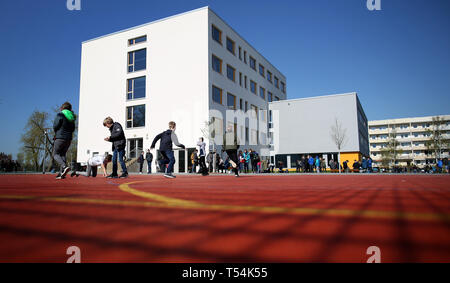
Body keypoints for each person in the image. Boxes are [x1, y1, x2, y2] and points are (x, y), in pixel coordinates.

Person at [52, 102, 76, 179]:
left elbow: (55, 125)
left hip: (60, 137)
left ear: (62, 108)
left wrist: (56, 132)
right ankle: (62, 173)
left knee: (55, 154)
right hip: (68, 138)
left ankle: (64, 166)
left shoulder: (60, 115)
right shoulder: (72, 117)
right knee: (62, 154)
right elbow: (73, 129)